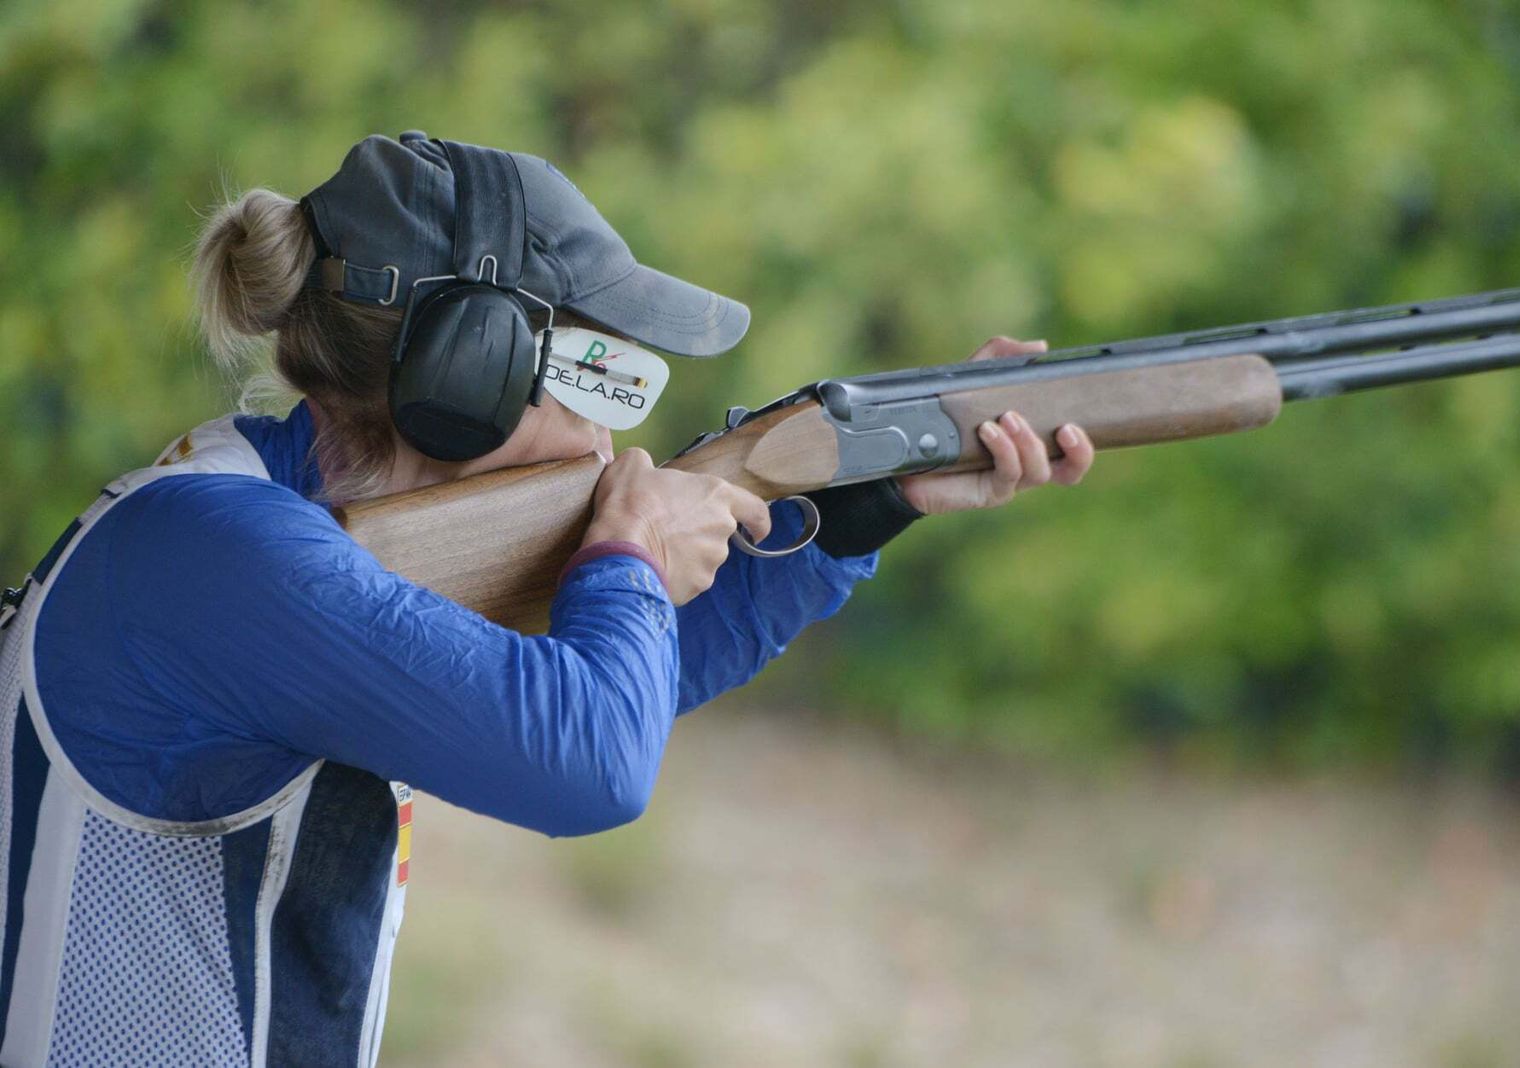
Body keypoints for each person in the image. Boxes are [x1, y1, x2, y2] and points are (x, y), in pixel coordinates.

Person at [0, 132, 1094, 1066]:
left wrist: (859, 511)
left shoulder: (250, 506)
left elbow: (597, 682)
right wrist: (625, 554)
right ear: (468, 372)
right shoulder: (217, 555)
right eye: (600, 378)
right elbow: (588, 761)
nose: (610, 435)